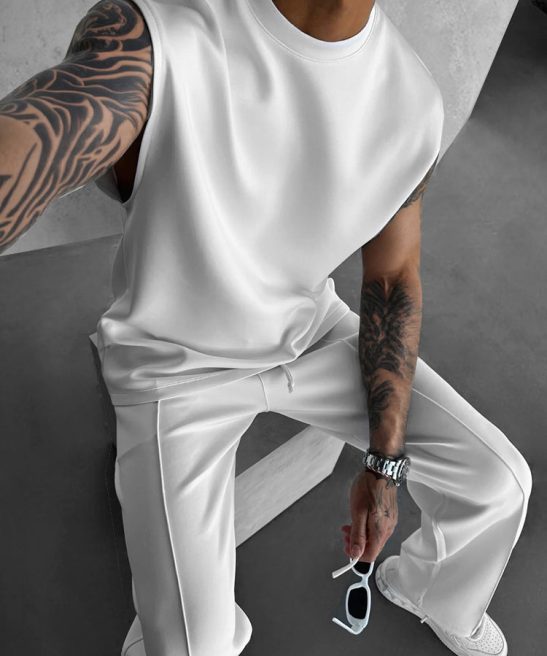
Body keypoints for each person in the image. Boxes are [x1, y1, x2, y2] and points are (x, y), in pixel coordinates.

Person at [0, 1, 532, 655]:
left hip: (309, 334)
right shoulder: (153, 35)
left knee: (499, 482)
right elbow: (43, 131)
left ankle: (432, 590)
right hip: (176, 366)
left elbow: (393, 281)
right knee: (190, 646)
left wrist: (383, 464)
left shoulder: (413, 100)